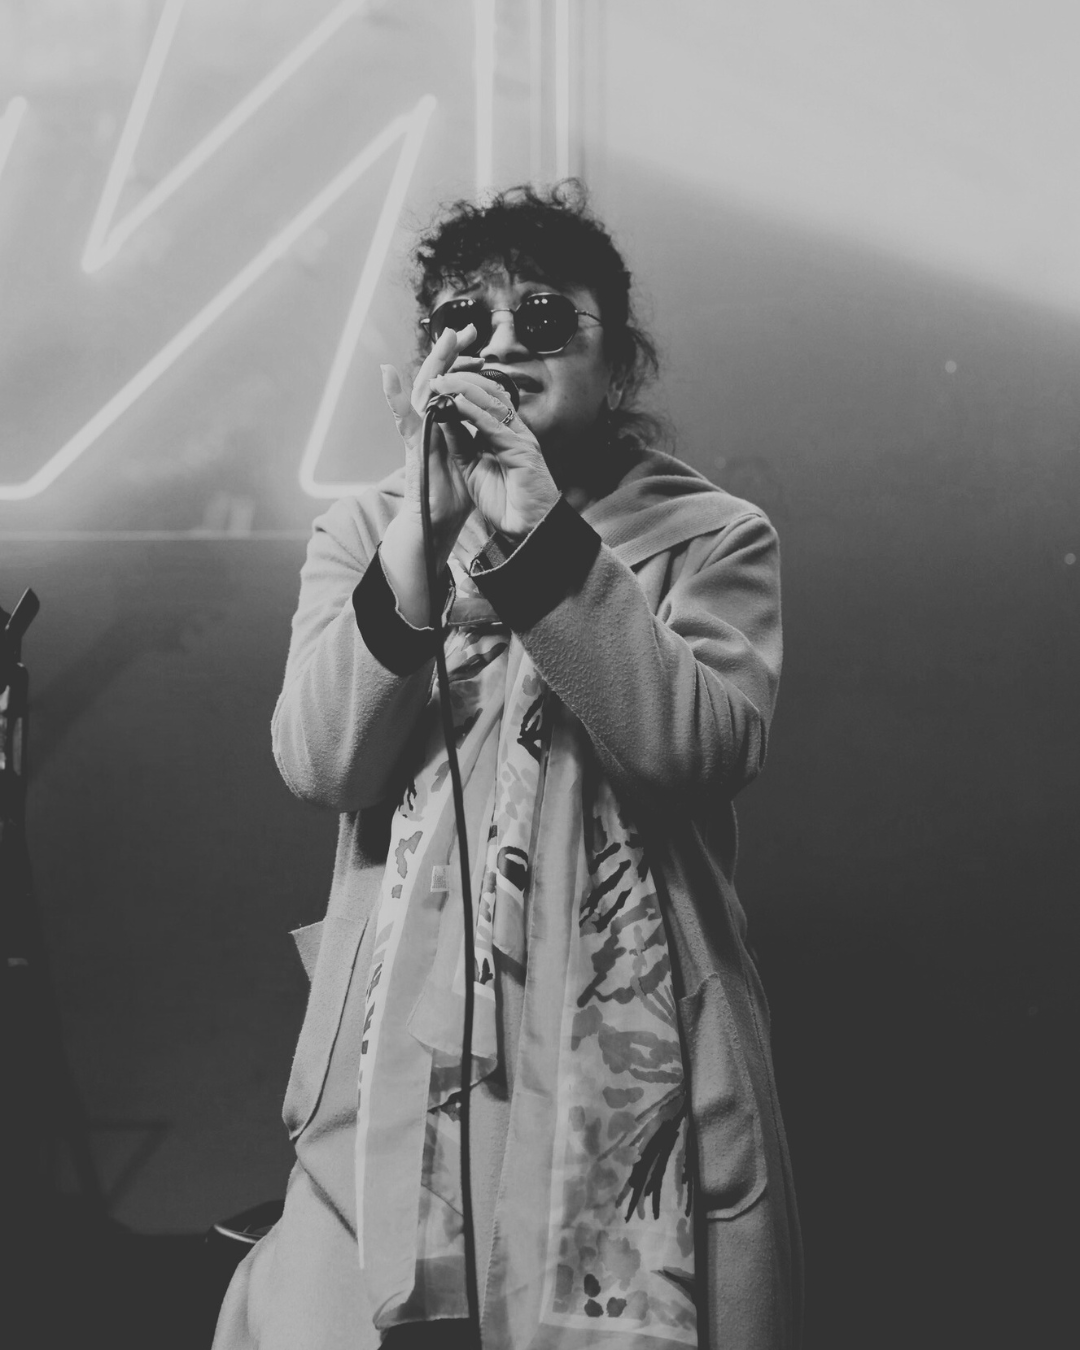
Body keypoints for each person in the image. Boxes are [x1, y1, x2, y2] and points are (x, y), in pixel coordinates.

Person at [213, 182, 802, 1350]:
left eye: (541, 316)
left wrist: (535, 530)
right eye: (462, 317)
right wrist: (422, 542)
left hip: (632, 1078)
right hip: (396, 1064)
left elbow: (698, 749)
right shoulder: (368, 531)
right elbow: (323, 761)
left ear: (617, 363)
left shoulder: (712, 536)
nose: (499, 341)